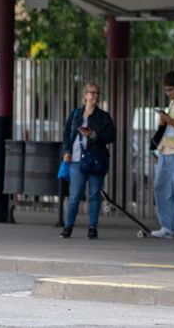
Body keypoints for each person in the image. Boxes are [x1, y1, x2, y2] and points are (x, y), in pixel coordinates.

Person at [59, 82, 116, 240]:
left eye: (98, 93)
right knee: (75, 195)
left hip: (96, 159)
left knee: (94, 196)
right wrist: (66, 151)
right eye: (92, 93)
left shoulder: (104, 116)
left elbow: (111, 136)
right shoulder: (76, 114)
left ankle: (92, 228)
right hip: (76, 160)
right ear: (85, 95)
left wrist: (94, 135)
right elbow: (66, 134)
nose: (95, 96)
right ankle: (68, 227)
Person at [151, 71, 174, 239]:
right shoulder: (172, 103)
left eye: (171, 90)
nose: (169, 93)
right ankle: (167, 226)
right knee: (161, 188)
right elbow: (167, 128)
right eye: (166, 90)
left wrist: (169, 120)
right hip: (165, 152)